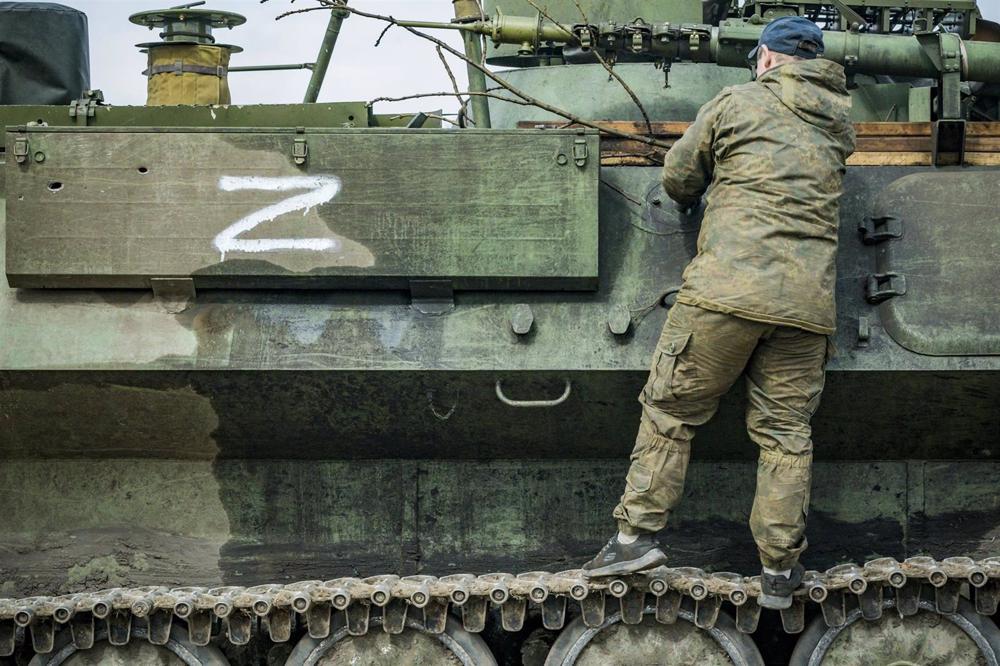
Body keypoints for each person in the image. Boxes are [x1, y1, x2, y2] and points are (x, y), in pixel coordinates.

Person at [582, 16, 856, 610]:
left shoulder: (737, 101)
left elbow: (680, 177)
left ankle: (636, 538)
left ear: (767, 59)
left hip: (729, 290)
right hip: (807, 306)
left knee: (671, 408)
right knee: (786, 434)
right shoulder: (840, 125)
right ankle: (780, 572)